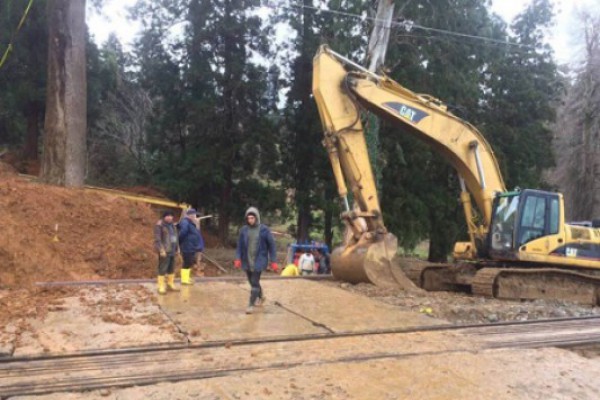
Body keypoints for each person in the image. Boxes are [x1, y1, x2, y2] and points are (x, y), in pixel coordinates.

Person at [234, 207, 278, 314]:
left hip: (259, 260)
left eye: (252, 218)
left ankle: (250, 305)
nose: (250, 220)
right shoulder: (244, 230)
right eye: (248, 218)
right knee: (253, 282)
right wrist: (237, 258)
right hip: (247, 260)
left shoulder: (264, 230)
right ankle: (261, 296)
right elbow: (239, 245)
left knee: (254, 283)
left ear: (256, 218)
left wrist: (273, 261)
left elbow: (272, 245)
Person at [153, 211, 179, 294]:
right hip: (165, 251)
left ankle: (170, 284)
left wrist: (177, 248)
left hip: (172, 250)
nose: (169, 217)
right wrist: (161, 250)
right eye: (167, 216)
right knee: (162, 268)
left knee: (171, 268)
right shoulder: (160, 226)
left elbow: (175, 238)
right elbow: (157, 239)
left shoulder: (173, 226)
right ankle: (161, 286)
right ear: (164, 217)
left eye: (171, 216)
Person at [178, 208, 205, 285]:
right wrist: (181, 242)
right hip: (187, 246)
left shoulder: (191, 223)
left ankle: (186, 278)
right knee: (187, 262)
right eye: (193, 215)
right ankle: (184, 280)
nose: (195, 216)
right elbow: (182, 233)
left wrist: (197, 224)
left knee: (189, 263)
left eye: (195, 215)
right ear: (189, 215)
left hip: (192, 246)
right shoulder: (185, 222)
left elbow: (196, 233)